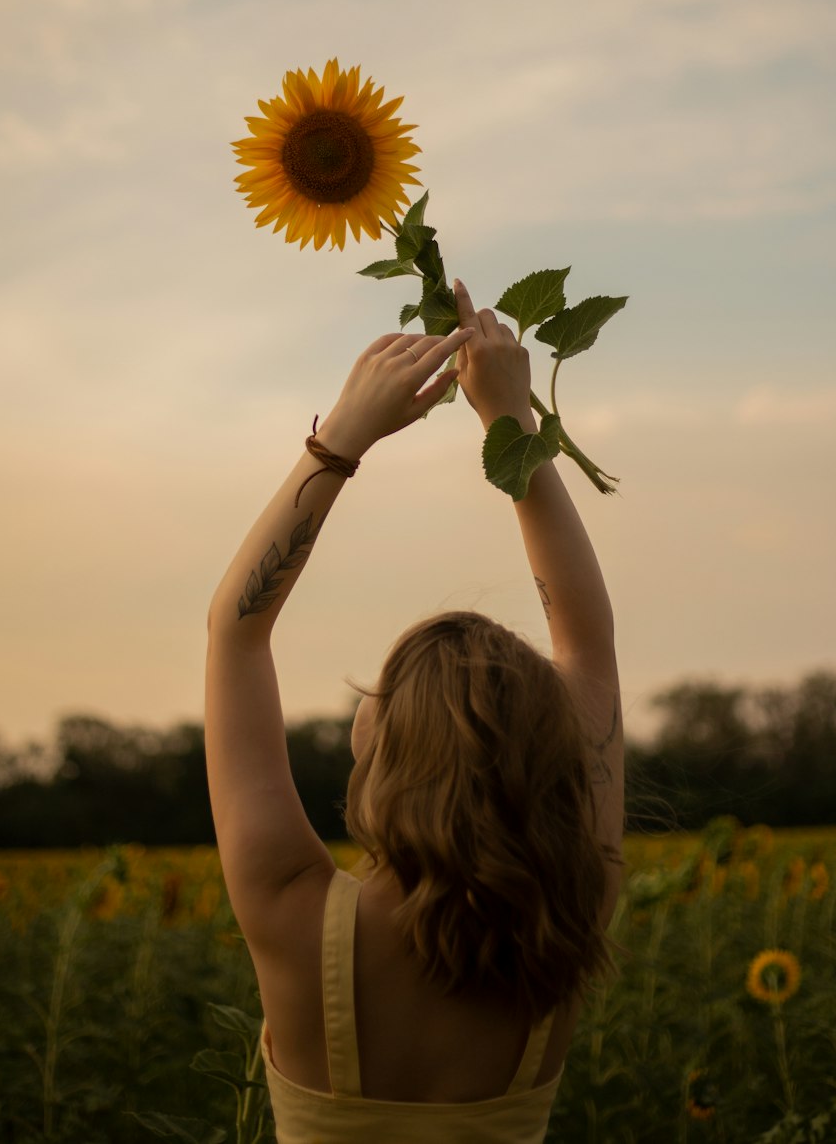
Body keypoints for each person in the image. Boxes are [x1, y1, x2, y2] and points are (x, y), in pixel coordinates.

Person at [204, 277, 624, 1143]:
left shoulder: (294, 911)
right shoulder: (573, 913)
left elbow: (233, 631)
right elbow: (584, 638)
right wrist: (508, 420)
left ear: (387, 749)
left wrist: (342, 438)